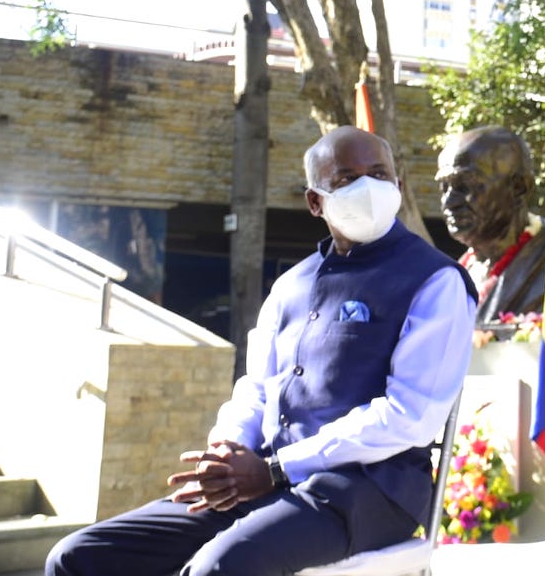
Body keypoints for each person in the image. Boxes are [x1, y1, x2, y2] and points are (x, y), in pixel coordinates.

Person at [46, 126, 478, 576]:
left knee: (218, 569)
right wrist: (228, 450)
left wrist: (275, 469)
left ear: (398, 185)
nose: (368, 187)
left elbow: (411, 414)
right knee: (78, 557)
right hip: (268, 480)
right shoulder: (291, 284)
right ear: (316, 202)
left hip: (366, 492)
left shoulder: (435, 281)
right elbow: (255, 387)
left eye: (379, 173)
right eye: (347, 179)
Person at [436, 125, 545, 323]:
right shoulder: (455, 275)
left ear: (519, 188)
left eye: (465, 185)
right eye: (444, 187)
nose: (449, 202)